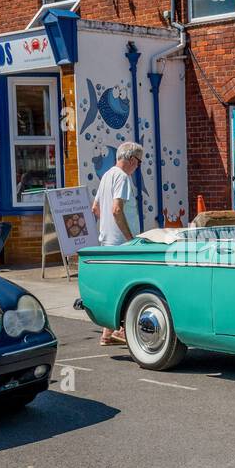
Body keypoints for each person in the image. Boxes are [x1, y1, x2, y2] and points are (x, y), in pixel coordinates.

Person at [90, 141, 143, 345]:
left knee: (113, 286)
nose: (138, 166)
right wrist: (130, 238)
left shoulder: (107, 176)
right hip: (121, 242)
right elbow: (116, 209)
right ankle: (121, 330)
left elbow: (96, 208)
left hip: (107, 240)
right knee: (127, 286)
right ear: (130, 159)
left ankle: (107, 334)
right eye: (138, 161)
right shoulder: (122, 177)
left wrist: (107, 228)